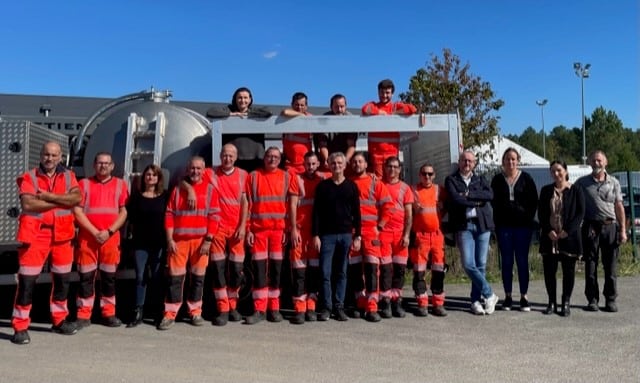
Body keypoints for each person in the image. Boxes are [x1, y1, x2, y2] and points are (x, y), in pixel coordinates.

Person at [10, 141, 81, 345]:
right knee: (27, 283)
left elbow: (76, 199)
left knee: (62, 281)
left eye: (54, 155)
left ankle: (59, 320)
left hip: (62, 237)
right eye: (46, 155)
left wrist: (49, 197)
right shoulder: (30, 176)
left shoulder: (69, 176)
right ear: (40, 155)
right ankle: (20, 326)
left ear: (61, 157)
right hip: (35, 236)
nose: (50, 159)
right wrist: (62, 200)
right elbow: (28, 203)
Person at [157, 156, 220, 330]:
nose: (195, 172)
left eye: (199, 168)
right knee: (175, 279)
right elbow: (169, 215)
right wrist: (170, 239)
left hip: (200, 242)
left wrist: (208, 240)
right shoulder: (178, 190)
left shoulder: (209, 190)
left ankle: (195, 312)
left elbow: (215, 217)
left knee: (198, 279)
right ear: (187, 169)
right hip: (179, 242)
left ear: (204, 169)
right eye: (192, 168)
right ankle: (170, 314)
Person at [243, 147, 299, 324]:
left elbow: (292, 205)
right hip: (258, 231)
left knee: (276, 270)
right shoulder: (253, 177)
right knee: (259, 270)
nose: (272, 159)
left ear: (280, 159)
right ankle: (259, 309)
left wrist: (289, 228)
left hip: (278, 232)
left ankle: (274, 308)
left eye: (276, 157)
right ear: (264, 158)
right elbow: (247, 205)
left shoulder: (287, 177)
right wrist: (248, 229)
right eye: (269, 156)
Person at [74, 152, 128, 328]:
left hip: (110, 239)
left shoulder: (121, 185)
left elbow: (124, 212)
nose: (103, 166)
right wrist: (94, 231)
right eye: (100, 163)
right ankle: (83, 315)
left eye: (106, 163)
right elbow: (77, 211)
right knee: (86, 277)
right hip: (88, 239)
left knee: (109, 278)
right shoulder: (84, 184)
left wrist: (109, 231)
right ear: (94, 165)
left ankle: (108, 314)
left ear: (112, 166)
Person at [445, 150, 498, 315]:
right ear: (459, 162)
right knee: (468, 264)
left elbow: (489, 195)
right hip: (464, 226)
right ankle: (489, 294)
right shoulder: (451, 180)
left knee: (481, 265)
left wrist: (469, 194)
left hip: (482, 225)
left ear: (474, 163)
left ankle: (475, 301)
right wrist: (476, 200)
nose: (467, 163)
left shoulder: (480, 179)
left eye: (470, 161)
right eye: (464, 160)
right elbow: (455, 199)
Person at [312, 152, 361, 321]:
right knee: (325, 272)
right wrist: (316, 235)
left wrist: (358, 236)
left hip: (346, 235)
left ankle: (339, 306)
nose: (336, 166)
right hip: (327, 236)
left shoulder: (351, 187)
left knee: (342, 272)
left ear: (345, 165)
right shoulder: (323, 187)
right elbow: (316, 213)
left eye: (339, 163)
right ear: (328, 165)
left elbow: (357, 213)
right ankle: (326, 307)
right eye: (333, 163)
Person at [575, 150, 626, 312]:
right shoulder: (582, 183)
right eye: (593, 160)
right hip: (591, 227)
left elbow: (619, 206)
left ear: (605, 162)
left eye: (599, 160)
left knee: (610, 266)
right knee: (591, 265)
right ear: (589, 163)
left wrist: (623, 230)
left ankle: (610, 299)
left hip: (610, 226)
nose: (596, 163)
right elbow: (572, 200)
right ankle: (592, 299)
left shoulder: (614, 183)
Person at [490, 148, 538, 311]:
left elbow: (533, 201)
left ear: (518, 161)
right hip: (504, 227)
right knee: (507, 262)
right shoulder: (497, 179)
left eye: (513, 159)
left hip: (523, 228)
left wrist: (526, 217)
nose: (510, 162)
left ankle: (524, 296)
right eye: (507, 159)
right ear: (503, 161)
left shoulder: (526, 178)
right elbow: (493, 202)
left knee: (522, 261)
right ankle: (508, 296)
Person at [348, 152, 393, 322]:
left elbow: (388, 206)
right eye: (354, 162)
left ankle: (372, 306)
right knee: (355, 270)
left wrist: (379, 225)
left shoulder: (375, 183)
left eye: (360, 161)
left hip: (371, 233)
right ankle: (360, 303)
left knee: (372, 270)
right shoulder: (348, 182)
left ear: (366, 164)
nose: (357, 164)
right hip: (353, 233)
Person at [207, 144, 249, 326]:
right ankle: (223, 309)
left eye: (231, 156)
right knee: (218, 269)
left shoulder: (243, 175)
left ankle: (233, 305)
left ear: (236, 157)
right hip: (218, 228)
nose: (227, 159)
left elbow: (245, 201)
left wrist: (242, 226)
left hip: (236, 229)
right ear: (220, 156)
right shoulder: (210, 173)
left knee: (237, 270)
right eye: (225, 155)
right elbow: (187, 178)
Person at [538, 161, 585, 317]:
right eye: (553, 171)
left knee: (568, 272)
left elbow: (580, 213)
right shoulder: (545, 191)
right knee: (549, 272)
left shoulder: (576, 190)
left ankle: (566, 302)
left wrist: (568, 231)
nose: (556, 173)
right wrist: (548, 230)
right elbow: (542, 214)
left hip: (568, 238)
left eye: (559, 170)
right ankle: (551, 302)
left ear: (565, 171)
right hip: (549, 238)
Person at [125, 164, 169, 327]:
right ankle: (138, 312)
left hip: (158, 244)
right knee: (140, 277)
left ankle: (158, 311)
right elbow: (129, 219)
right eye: (148, 174)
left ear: (159, 178)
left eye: (154, 175)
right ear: (144, 177)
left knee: (157, 278)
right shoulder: (137, 197)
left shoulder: (165, 196)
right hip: (140, 244)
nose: (151, 177)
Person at [289, 152, 326, 324]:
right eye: (307, 164)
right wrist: (293, 228)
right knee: (299, 270)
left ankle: (311, 305)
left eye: (313, 164)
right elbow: (292, 204)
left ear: (318, 164)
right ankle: (299, 308)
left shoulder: (323, 180)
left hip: (316, 232)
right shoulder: (297, 179)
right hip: (300, 230)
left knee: (314, 269)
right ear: (303, 164)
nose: (310, 167)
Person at [410, 163, 448, 317]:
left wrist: (442, 208)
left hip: (437, 236)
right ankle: (422, 304)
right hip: (421, 236)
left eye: (430, 174)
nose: (427, 177)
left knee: (438, 270)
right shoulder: (413, 190)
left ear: (434, 175)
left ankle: (438, 303)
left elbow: (447, 206)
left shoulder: (440, 190)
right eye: (424, 174)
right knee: (419, 271)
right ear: (419, 175)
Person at [379, 156, 414, 318]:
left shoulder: (405, 188)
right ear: (385, 168)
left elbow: (409, 214)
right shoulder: (379, 185)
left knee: (399, 269)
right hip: (384, 233)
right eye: (389, 166)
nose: (392, 170)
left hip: (400, 234)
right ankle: (385, 301)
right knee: (385, 269)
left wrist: (407, 235)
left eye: (395, 167)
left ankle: (396, 300)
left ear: (400, 169)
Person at [206, 87, 273, 171]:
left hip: (256, 159)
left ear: (250, 99)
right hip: (235, 159)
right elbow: (210, 112)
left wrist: (247, 114)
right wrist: (232, 114)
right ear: (235, 99)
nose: (242, 100)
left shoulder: (255, 110)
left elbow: (269, 111)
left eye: (245, 98)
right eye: (240, 97)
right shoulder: (229, 109)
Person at [361, 79, 417, 178]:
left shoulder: (395, 107)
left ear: (392, 94)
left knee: (392, 183)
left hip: (392, 155)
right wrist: (379, 112)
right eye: (382, 92)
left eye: (387, 93)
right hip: (376, 155)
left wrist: (395, 113)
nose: (384, 95)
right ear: (378, 92)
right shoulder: (374, 105)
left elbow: (412, 109)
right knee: (378, 184)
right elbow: (365, 109)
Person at [315, 94, 358, 170]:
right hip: (329, 156)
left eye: (342, 106)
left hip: (345, 157)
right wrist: (327, 160)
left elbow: (351, 145)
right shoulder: (324, 119)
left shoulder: (351, 119)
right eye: (336, 107)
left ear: (346, 106)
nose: (339, 109)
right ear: (331, 107)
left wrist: (345, 160)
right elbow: (323, 145)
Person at [280, 92, 313, 174]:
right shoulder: (287, 118)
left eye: (302, 105)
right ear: (292, 104)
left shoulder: (310, 119)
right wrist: (300, 115)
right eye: (297, 104)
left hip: (305, 164)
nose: (299, 107)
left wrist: (303, 116)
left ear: (306, 106)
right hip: (289, 164)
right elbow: (285, 112)